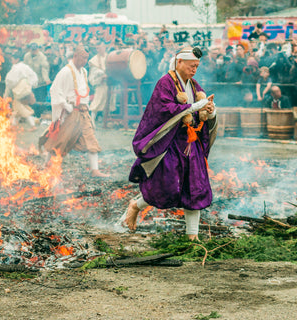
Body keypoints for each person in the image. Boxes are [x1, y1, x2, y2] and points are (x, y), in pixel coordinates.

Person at [123, 46, 217, 241]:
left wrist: (209, 109)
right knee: (163, 186)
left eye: (197, 66)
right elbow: (163, 110)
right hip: (170, 142)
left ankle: (193, 238)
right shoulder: (165, 83)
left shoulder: (193, 85)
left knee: (195, 188)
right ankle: (135, 205)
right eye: (191, 66)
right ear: (179, 62)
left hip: (192, 142)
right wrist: (193, 106)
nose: (194, 70)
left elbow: (201, 112)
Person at [42, 45, 110, 178]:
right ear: (75, 56)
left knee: (91, 139)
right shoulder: (65, 71)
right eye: (82, 57)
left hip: (83, 111)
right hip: (70, 112)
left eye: (86, 58)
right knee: (59, 140)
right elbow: (54, 90)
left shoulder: (84, 71)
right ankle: (47, 166)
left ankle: (95, 170)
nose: (84, 60)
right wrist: (65, 106)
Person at [4, 50, 39, 131]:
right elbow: (34, 78)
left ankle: (32, 125)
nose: (12, 60)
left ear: (17, 59)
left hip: (20, 90)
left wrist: (6, 95)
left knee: (20, 107)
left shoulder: (16, 68)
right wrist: (30, 86)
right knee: (17, 107)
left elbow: (10, 82)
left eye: (12, 59)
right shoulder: (26, 67)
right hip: (26, 88)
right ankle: (13, 125)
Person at [88, 42, 109, 123]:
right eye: (97, 48)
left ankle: (105, 120)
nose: (98, 50)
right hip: (100, 82)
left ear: (104, 47)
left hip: (108, 83)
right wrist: (102, 73)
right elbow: (94, 71)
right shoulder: (94, 60)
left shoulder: (108, 57)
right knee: (97, 100)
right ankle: (92, 119)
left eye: (100, 47)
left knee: (107, 101)